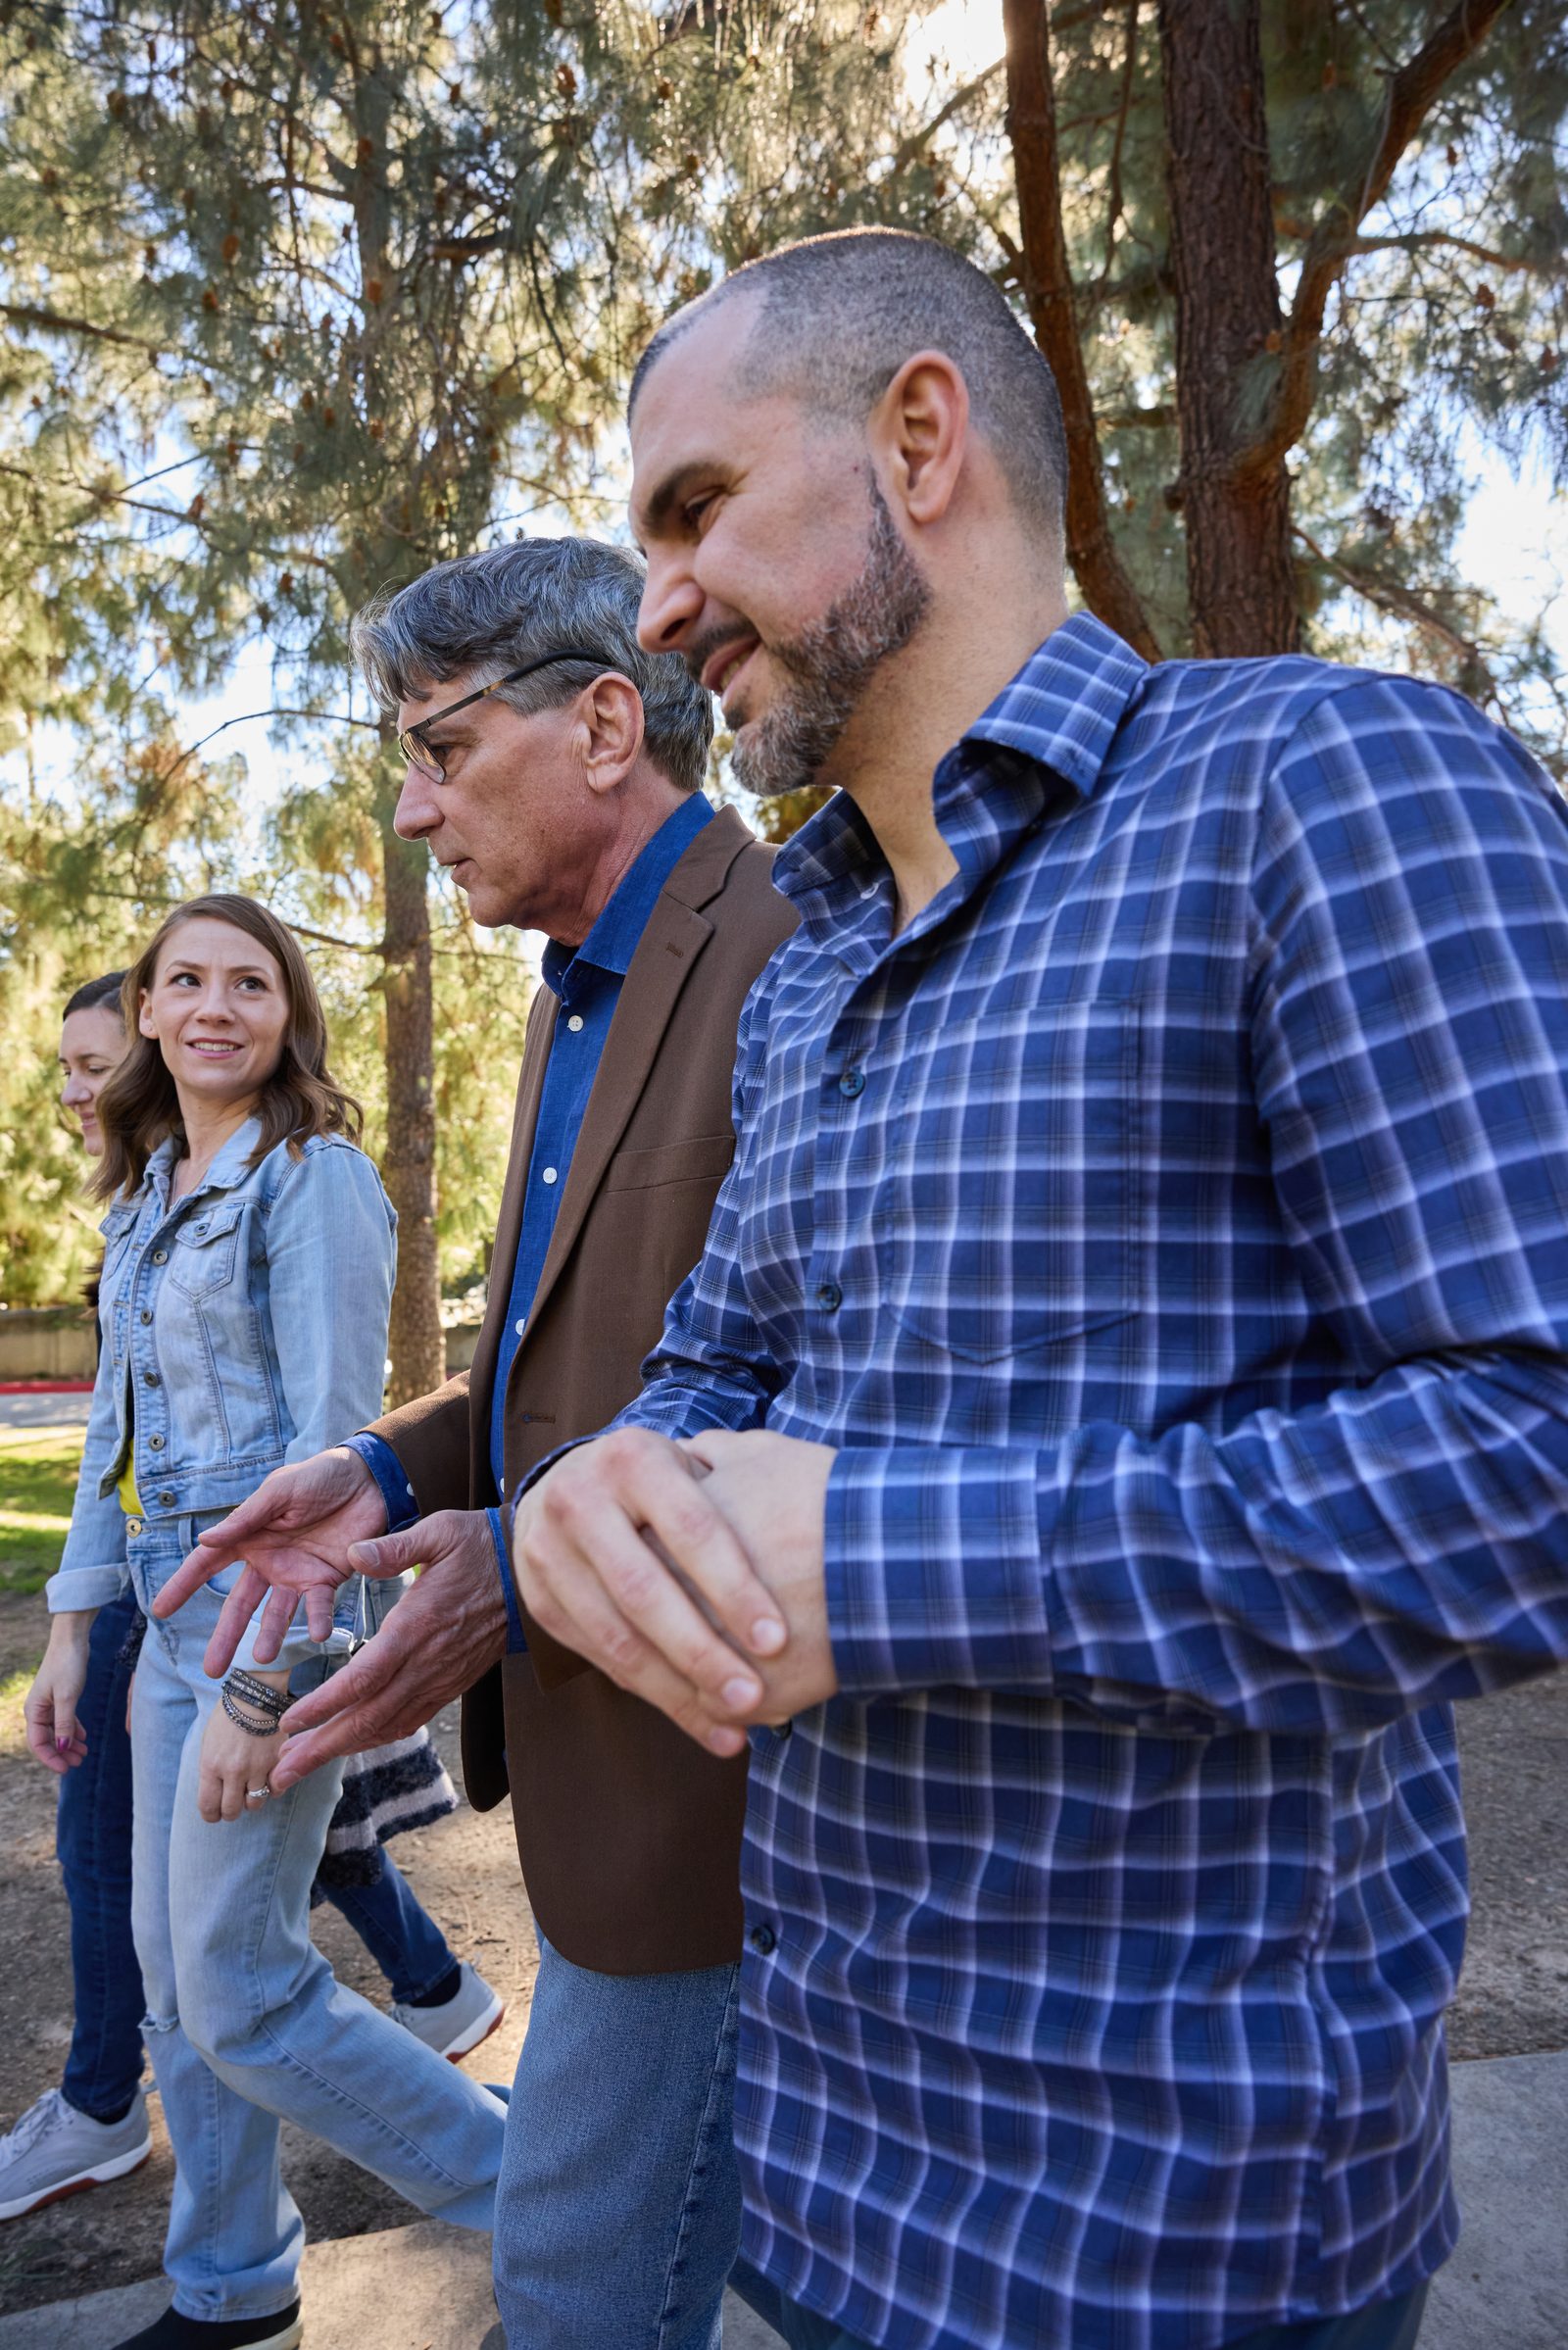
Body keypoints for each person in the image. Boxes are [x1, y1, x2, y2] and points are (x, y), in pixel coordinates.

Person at [502, 229, 1568, 2350]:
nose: (651, 606)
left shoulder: (1323, 783)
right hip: (816, 2180)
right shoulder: (806, 980)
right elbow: (719, 1359)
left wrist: (892, 1563)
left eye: (694, 507)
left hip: (1168, 2239)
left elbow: (1528, 1453)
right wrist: (580, 1500)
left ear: (918, 437)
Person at [153, 539, 797, 2349]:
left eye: (438, 746)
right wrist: (379, 1469)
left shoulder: (782, 955)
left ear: (607, 721)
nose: (415, 807)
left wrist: (512, 1566)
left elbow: (805, 1389)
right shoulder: (573, 984)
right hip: (607, 1778)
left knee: (587, 2286)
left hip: (724, 1795)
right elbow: (572, 1361)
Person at [24, 899, 504, 2350]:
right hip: (161, 1623)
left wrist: (271, 1682)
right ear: (151, 1015)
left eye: (252, 981)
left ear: (288, 1010)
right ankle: (231, 2285)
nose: (219, 1005)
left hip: (264, 1624)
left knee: (237, 1983)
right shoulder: (144, 1196)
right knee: (181, 1983)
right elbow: (116, 1439)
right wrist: (69, 1631)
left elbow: (330, 1453)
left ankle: (541, 2196)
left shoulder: (317, 1178)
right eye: (189, 980)